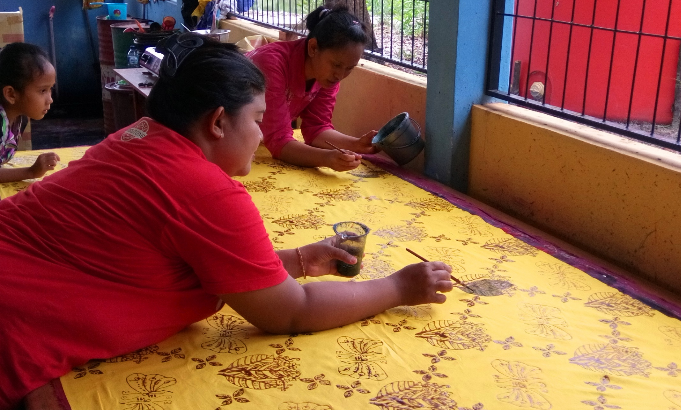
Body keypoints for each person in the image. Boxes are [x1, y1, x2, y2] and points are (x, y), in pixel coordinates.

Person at [0, 33, 453, 410]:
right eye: (257, 119)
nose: (262, 134)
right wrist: (398, 288)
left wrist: (294, 259)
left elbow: (181, 251)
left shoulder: (134, 136)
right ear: (218, 121)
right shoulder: (207, 191)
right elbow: (291, 311)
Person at [248, 5, 378, 172]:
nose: (340, 75)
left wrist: (357, 144)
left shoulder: (326, 75)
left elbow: (317, 127)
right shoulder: (271, 64)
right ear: (313, 48)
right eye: (336, 65)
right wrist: (327, 158)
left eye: (349, 68)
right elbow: (278, 140)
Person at [0, 43, 59, 183]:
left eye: (50, 89)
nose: (50, 99)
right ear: (11, 94)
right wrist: (30, 171)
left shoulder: (19, 120)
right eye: (42, 90)